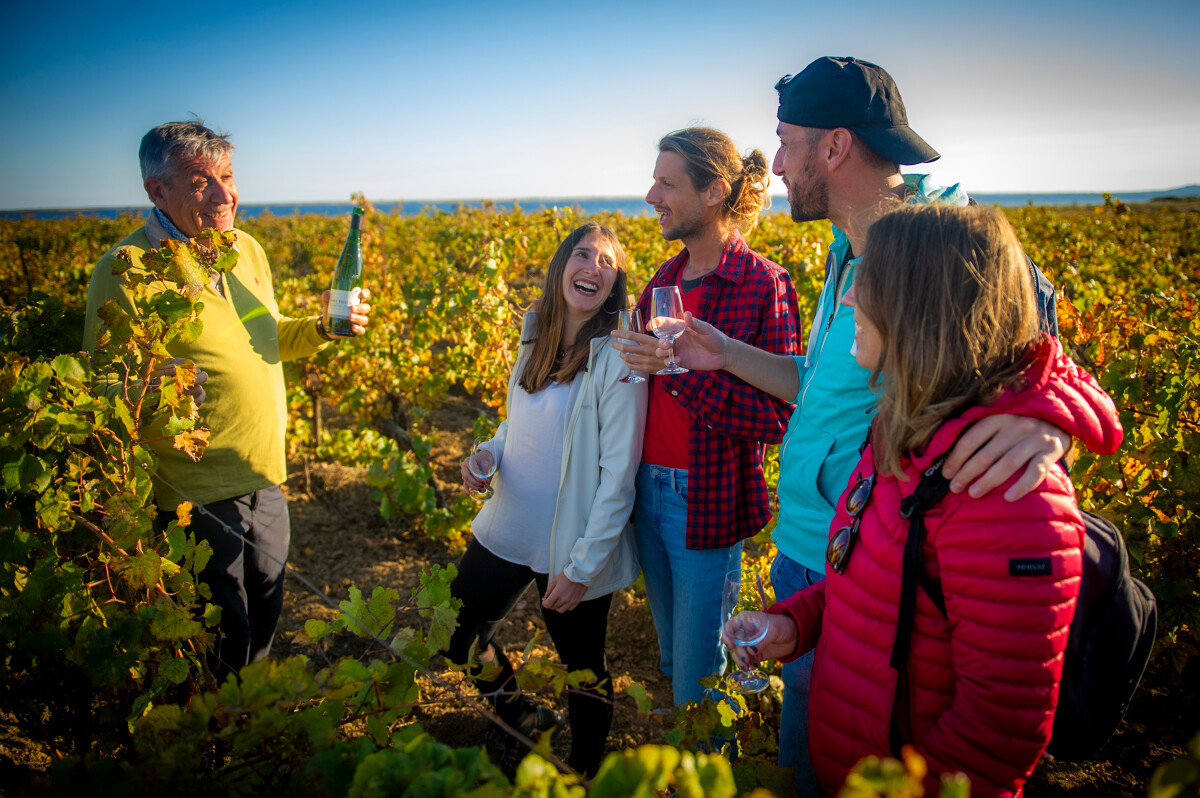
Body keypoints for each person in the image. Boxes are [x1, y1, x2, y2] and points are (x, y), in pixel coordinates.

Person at [618, 57, 1072, 794]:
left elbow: (1043, 346)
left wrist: (1049, 419)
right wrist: (723, 352)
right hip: (817, 562)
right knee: (812, 748)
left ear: (834, 147)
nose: (777, 165)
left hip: (876, 562)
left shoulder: (934, 243)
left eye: (787, 142)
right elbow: (822, 392)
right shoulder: (848, 250)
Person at [724, 203, 1122, 796]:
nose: (850, 300)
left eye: (870, 284)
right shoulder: (902, 435)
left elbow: (995, 735)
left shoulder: (1005, 493)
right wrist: (792, 626)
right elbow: (870, 586)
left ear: (921, 307)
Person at [82, 120, 372, 684]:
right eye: (200, 181)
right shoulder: (124, 271)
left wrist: (321, 328)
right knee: (220, 632)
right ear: (156, 192)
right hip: (194, 488)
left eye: (228, 176)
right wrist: (150, 381)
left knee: (266, 606)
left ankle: (247, 720)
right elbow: (99, 390)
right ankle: (213, 745)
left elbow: (269, 338)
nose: (223, 195)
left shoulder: (246, 249)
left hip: (264, 472)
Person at [445, 222, 647, 778]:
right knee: (456, 635)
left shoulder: (619, 355)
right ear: (562, 266)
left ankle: (583, 774)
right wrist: (487, 455)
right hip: (507, 522)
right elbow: (519, 424)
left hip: (570, 544)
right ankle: (518, 715)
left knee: (583, 670)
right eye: (584, 255)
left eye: (607, 263)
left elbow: (618, 475)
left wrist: (583, 566)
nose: (594, 268)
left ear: (614, 284)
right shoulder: (534, 332)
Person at [609, 127, 800, 707]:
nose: (651, 196)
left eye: (667, 183)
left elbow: (779, 416)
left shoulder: (763, 284)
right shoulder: (662, 281)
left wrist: (680, 373)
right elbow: (636, 384)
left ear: (714, 192)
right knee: (672, 654)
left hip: (705, 497)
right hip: (646, 488)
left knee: (699, 675)